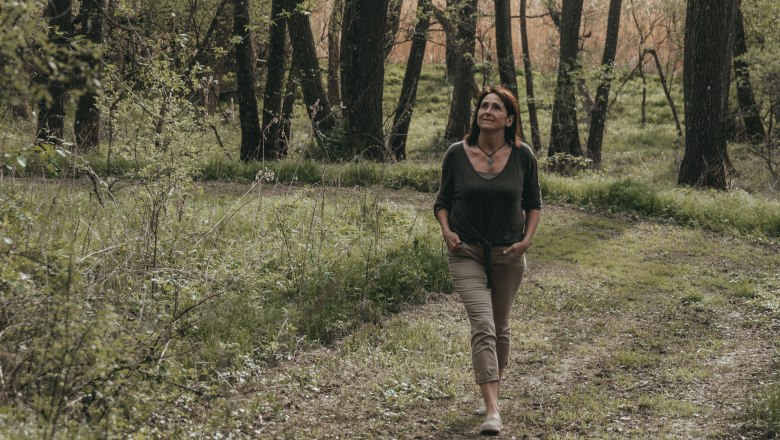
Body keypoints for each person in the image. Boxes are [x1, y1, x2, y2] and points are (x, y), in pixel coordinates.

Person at [433, 85, 541, 436]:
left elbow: (533, 203)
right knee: (483, 325)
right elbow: (442, 200)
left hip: (508, 254)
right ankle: (493, 410)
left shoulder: (524, 156)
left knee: (500, 327)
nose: (487, 111)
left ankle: (492, 387)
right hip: (465, 252)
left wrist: (526, 241)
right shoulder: (456, 153)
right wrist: (446, 231)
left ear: (509, 119)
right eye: (483, 105)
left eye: (496, 107)